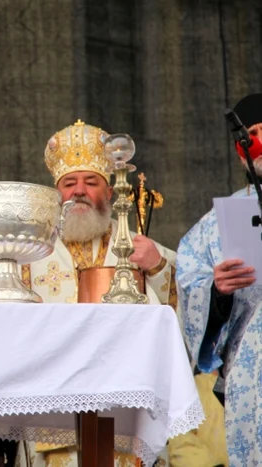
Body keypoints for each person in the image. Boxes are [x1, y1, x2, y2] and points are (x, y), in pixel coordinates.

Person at [0, 120, 179, 466]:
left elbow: (186, 307)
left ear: (109, 191)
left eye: (91, 182)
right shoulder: (29, 252)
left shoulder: (135, 246)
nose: (79, 191)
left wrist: (160, 266)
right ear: (55, 193)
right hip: (49, 411)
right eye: (69, 183)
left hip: (122, 410)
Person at [177, 93, 262, 466]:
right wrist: (218, 293)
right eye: (254, 133)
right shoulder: (215, 226)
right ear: (241, 149)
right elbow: (190, 282)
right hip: (252, 378)